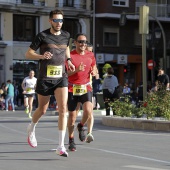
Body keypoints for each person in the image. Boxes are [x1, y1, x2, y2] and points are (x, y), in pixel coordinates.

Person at [25, 9, 75, 157]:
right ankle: (31, 128)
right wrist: (41, 55)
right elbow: (28, 53)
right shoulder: (42, 36)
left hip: (61, 77)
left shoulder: (66, 35)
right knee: (42, 110)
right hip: (45, 78)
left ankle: (60, 146)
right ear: (50, 21)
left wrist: (69, 60)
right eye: (56, 20)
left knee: (63, 109)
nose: (59, 23)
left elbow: (66, 49)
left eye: (61, 20)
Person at [66, 33, 97, 151]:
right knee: (72, 116)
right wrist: (76, 70)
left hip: (85, 87)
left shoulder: (90, 55)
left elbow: (93, 66)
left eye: (84, 42)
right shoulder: (71, 56)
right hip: (71, 88)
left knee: (89, 111)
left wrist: (94, 72)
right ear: (75, 43)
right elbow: (65, 74)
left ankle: (81, 126)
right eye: (80, 42)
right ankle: (71, 140)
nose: (83, 44)